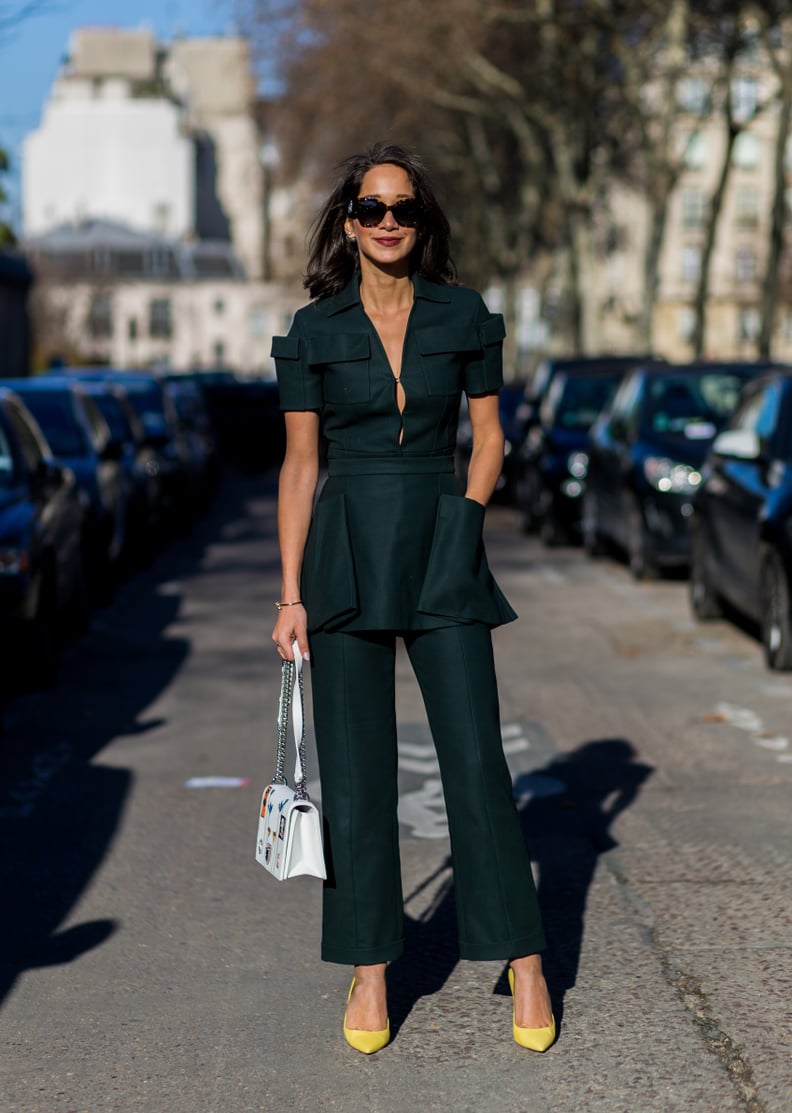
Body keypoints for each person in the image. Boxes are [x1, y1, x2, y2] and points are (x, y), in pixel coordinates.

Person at [270, 142, 554, 1054]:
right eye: (371, 208)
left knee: (475, 758)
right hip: (344, 551)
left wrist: (466, 522)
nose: (388, 222)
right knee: (356, 779)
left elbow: (489, 439)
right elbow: (301, 464)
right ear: (347, 224)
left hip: (443, 539)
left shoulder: (464, 315)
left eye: (403, 209)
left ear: (421, 222)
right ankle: (368, 964)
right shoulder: (314, 330)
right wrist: (288, 595)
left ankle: (523, 953)